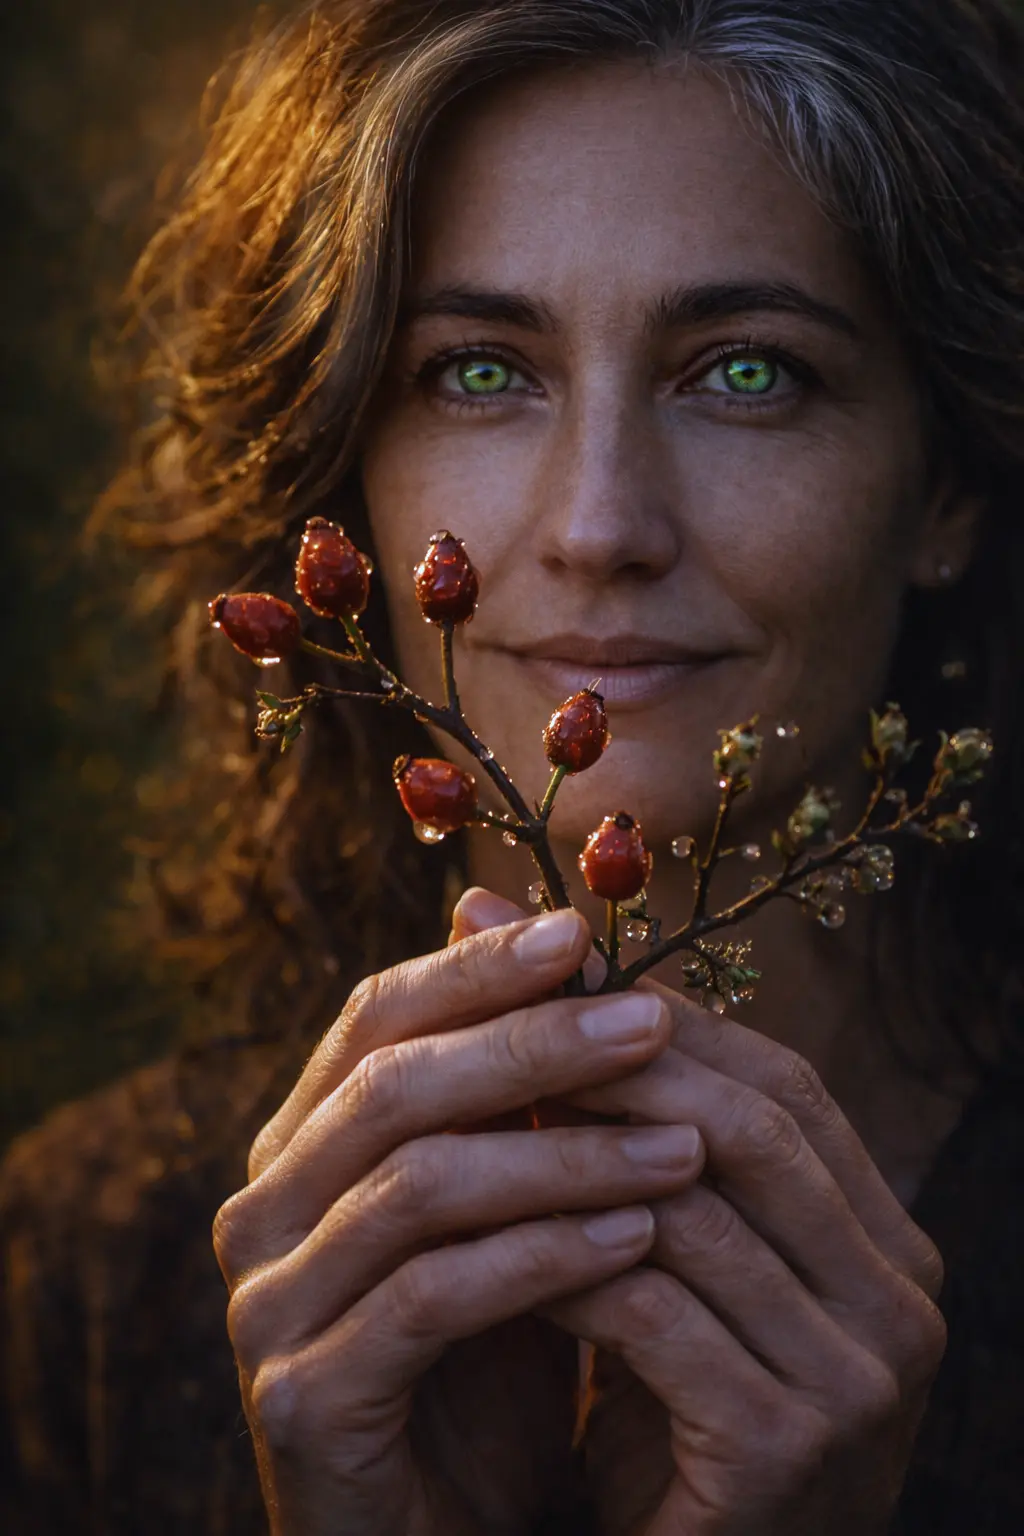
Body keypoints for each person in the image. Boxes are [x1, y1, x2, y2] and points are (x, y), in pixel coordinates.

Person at [3, 0, 1024, 1531]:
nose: (600, 526)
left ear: (942, 484)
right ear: (340, 475)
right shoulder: (78, 1274)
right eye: (478, 373)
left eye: (748, 374)